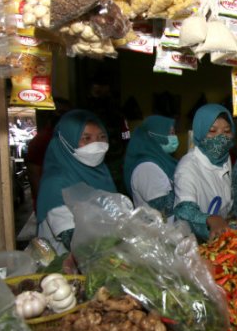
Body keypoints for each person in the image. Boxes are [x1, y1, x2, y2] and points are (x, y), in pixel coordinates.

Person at [36, 110, 115, 255]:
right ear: (66, 141)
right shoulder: (56, 182)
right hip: (62, 269)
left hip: (101, 259)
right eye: (86, 138)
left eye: (102, 137)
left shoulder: (100, 173)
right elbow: (73, 239)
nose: (96, 144)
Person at [174, 104, 235, 241]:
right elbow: (184, 211)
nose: (221, 138)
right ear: (200, 132)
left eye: (226, 131)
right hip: (195, 245)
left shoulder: (225, 158)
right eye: (212, 131)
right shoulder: (187, 167)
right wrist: (210, 219)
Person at [123, 115, 178, 218]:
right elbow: (164, 208)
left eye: (174, 133)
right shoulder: (146, 168)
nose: (174, 137)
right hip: (160, 231)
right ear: (155, 135)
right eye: (170, 133)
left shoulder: (162, 161)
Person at [25, 97, 71, 207]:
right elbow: (34, 175)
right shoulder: (42, 140)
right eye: (61, 112)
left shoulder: (66, 137)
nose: (64, 117)